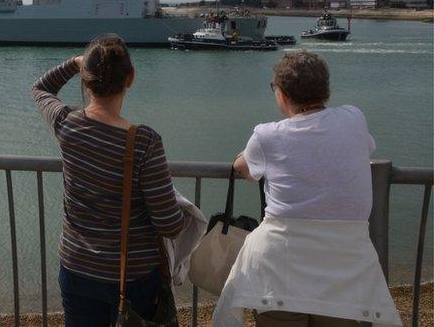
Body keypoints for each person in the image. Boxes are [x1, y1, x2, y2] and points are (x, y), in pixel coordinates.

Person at [214, 50, 400, 326]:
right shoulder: (354, 118)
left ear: (283, 94)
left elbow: (243, 168)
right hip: (343, 270)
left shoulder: (267, 135)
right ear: (325, 90)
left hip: (279, 267)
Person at [32, 34, 185, 326]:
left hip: (76, 267)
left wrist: (75, 63)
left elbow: (41, 88)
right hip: (132, 278)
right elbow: (169, 224)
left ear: (86, 80)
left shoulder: (67, 123)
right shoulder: (144, 141)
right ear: (130, 78)